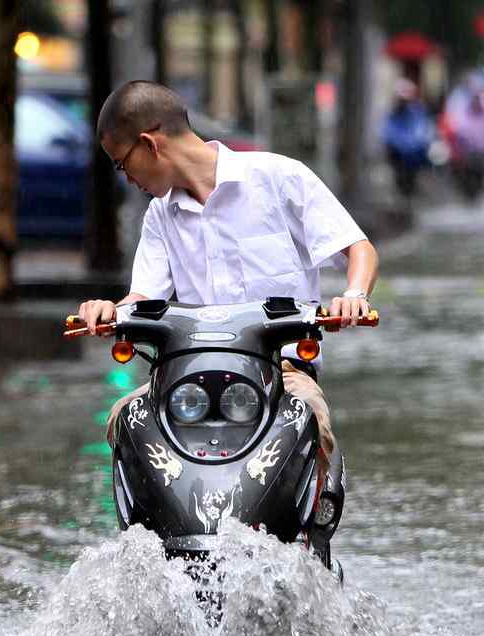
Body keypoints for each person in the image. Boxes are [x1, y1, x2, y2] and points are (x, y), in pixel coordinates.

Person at [77, 80, 379, 457]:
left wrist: (354, 296)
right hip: (188, 379)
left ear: (150, 144)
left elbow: (358, 249)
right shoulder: (160, 216)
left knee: (307, 421)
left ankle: (315, 509)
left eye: (123, 164)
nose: (128, 179)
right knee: (127, 420)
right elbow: (142, 297)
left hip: (280, 376)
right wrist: (109, 311)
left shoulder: (278, 177)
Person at [381, 78, 434, 197]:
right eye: (401, 99)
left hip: (414, 154)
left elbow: (423, 131)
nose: (404, 102)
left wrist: (416, 144)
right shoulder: (392, 114)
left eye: (406, 99)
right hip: (398, 154)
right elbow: (387, 133)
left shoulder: (418, 112)